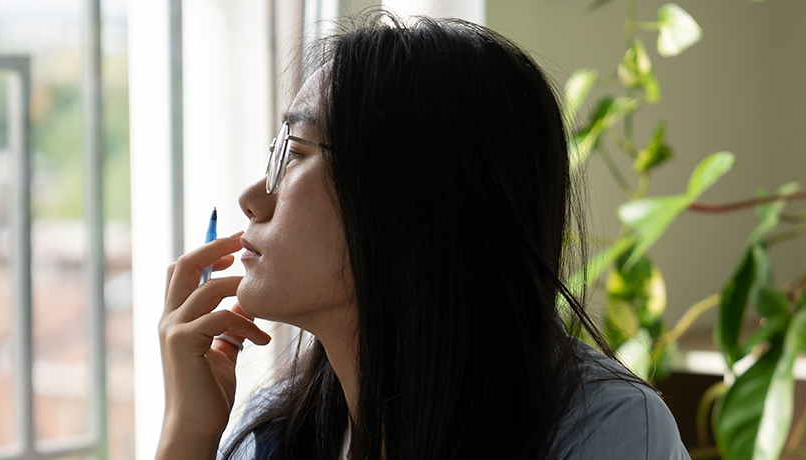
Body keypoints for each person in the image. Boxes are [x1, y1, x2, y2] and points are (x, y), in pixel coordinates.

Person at [155, 10, 688, 460]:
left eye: (294, 154)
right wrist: (188, 434)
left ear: (409, 196)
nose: (253, 197)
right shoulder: (271, 435)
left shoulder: (608, 430)